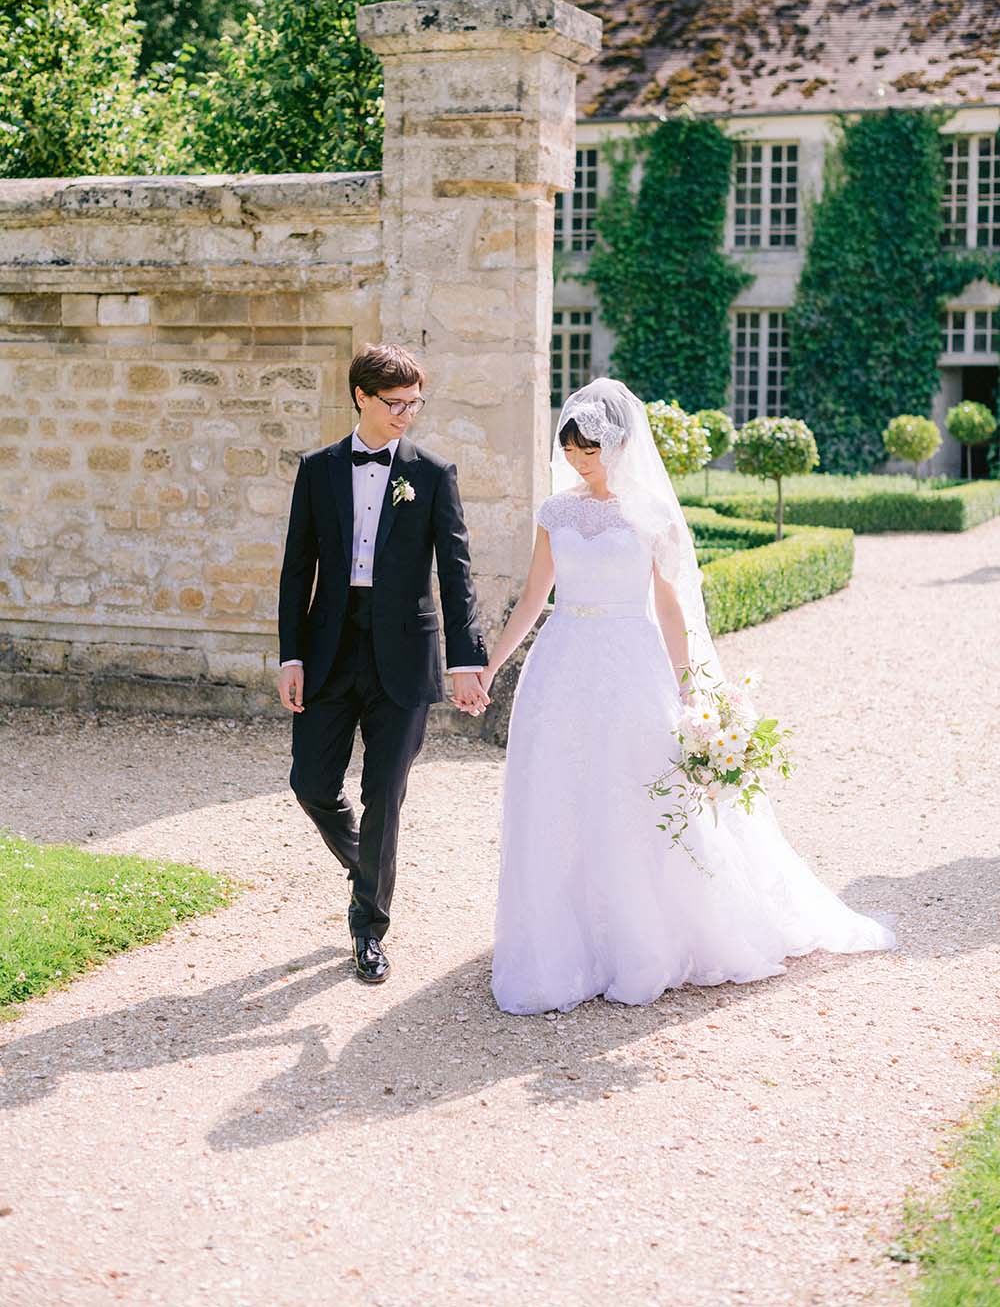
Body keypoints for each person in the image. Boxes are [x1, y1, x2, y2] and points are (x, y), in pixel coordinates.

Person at [483, 378, 894, 1016]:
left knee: (635, 791)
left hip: (630, 662)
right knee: (561, 791)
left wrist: (689, 683)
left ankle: (644, 934)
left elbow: (671, 609)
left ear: (616, 444)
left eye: (588, 449)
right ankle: (565, 939)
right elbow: (536, 597)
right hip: (561, 664)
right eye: (570, 449)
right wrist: (490, 665)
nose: (577, 460)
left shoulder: (650, 514)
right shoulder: (554, 514)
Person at [277, 343, 489, 984]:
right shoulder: (316, 470)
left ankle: (369, 930)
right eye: (395, 404)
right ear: (361, 398)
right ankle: (367, 862)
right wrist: (291, 654)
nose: (406, 415)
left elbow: (457, 574)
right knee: (310, 783)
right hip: (329, 651)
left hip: (405, 652)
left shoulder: (432, 473)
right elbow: (297, 570)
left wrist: (467, 660)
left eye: (414, 404)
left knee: (384, 796)